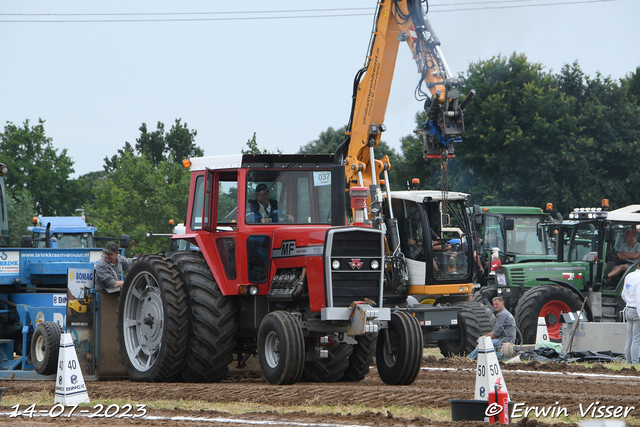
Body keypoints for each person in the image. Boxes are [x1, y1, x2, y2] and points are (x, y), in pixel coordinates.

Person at [622, 268, 640, 364]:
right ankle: (636, 362)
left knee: (629, 338)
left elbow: (623, 294)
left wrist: (629, 302)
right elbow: (639, 298)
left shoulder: (629, 276)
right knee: (636, 339)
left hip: (628, 309)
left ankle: (628, 362)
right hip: (636, 311)